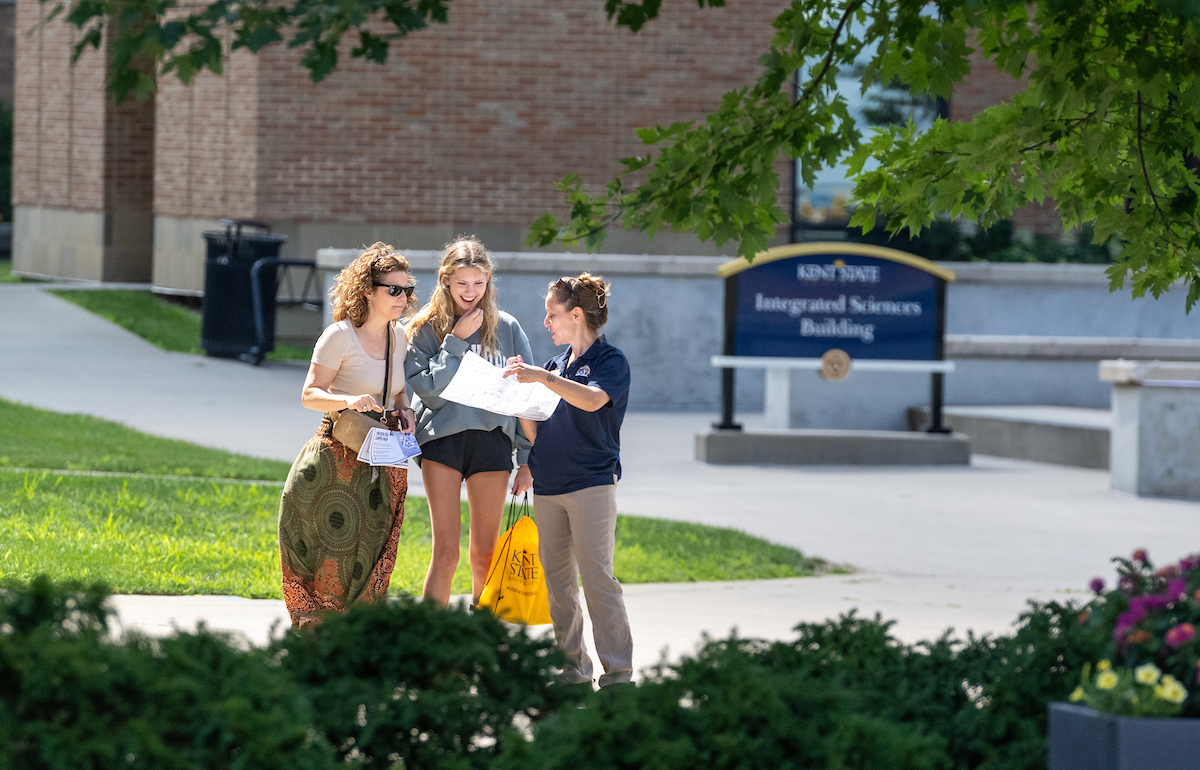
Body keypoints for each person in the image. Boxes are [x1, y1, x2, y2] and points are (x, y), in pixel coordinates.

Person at [503, 273, 633, 687]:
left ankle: (619, 675)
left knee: (598, 581)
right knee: (559, 588)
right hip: (549, 485)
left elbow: (593, 400)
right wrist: (517, 394)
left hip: (592, 483)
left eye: (551, 314)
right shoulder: (557, 366)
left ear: (576, 314)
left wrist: (542, 378)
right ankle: (573, 671)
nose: (546, 323)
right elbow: (536, 431)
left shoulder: (611, 362)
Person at [278, 243, 418, 627]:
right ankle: (317, 638)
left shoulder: (399, 337)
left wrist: (406, 410)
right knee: (325, 557)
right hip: (335, 460)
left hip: (382, 462)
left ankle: (357, 642)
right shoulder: (338, 336)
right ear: (368, 291)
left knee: (368, 558)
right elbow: (309, 394)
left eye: (406, 290)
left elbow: (399, 391)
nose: (402, 297)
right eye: (394, 289)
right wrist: (348, 399)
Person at [405, 237, 535, 606]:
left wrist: (526, 461)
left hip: (492, 444)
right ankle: (434, 643)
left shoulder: (507, 328)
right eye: (462, 283)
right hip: (442, 442)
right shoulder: (426, 327)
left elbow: (525, 399)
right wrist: (455, 342)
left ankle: (483, 644)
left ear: (489, 279)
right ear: (446, 279)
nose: (470, 292)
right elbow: (429, 392)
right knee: (446, 552)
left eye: (478, 283)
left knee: (485, 555)